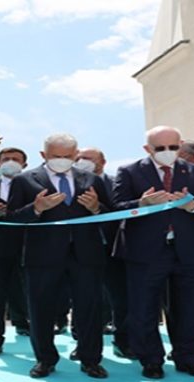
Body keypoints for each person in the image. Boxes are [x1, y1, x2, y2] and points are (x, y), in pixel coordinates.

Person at [114, 126, 194, 379]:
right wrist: (142, 204)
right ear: (147, 149)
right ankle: (151, 360)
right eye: (160, 148)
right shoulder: (128, 172)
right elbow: (116, 206)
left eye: (173, 147)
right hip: (146, 252)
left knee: (192, 307)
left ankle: (188, 358)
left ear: (180, 145)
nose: (167, 152)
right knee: (144, 308)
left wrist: (193, 205)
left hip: (190, 251)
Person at [7, 133, 110, 379]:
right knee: (41, 309)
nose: (62, 160)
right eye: (56, 156)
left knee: (89, 309)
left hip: (85, 255)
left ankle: (90, 359)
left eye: (67, 156)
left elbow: (110, 215)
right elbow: (11, 218)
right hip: (42, 256)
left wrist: (96, 208)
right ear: (44, 155)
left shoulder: (92, 179)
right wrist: (36, 209)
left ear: (75, 155)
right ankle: (45, 360)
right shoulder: (24, 180)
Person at [75, 147, 135, 359]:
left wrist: (97, 208)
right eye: (80, 158)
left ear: (103, 162)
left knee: (121, 299)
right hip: (81, 250)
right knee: (86, 299)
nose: (83, 162)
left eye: (89, 158)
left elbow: (120, 211)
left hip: (113, 248)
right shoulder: (71, 182)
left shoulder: (115, 182)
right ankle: (83, 344)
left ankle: (123, 341)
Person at [0, 147, 30, 357]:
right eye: (6, 159)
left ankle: (26, 326)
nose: (10, 162)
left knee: (26, 292)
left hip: (27, 247)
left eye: (16, 159)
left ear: (24, 165)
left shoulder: (34, 185)